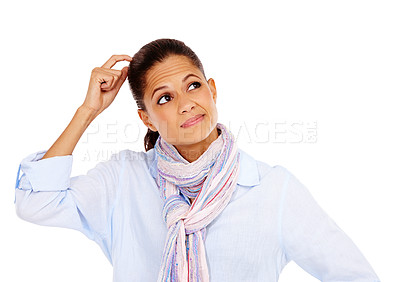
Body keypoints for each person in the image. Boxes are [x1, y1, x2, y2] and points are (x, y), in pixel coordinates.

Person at [14, 38, 380, 282]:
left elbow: (354, 275)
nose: (186, 103)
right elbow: (35, 201)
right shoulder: (123, 179)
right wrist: (87, 111)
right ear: (146, 119)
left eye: (193, 85)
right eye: (164, 98)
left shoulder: (272, 189)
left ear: (212, 90)